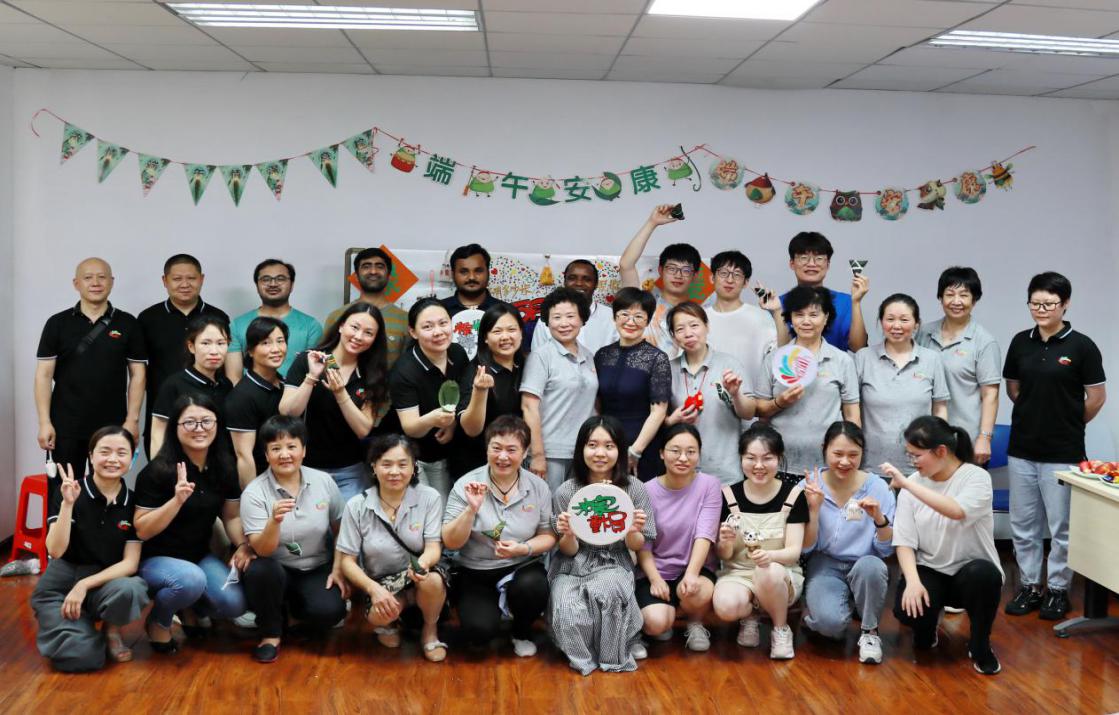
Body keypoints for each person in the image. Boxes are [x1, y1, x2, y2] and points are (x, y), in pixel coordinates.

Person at [1002, 272, 1106, 621]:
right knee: (1023, 524)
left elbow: (1096, 397)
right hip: (1022, 448)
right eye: (1035, 303)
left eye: (1049, 303)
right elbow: (1014, 388)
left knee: (1061, 527)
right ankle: (1030, 586)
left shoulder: (1082, 346)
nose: (1041, 309)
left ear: (1065, 304)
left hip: (1063, 452)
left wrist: (1069, 422)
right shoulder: (1021, 342)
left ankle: (1058, 589)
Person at [885, 416, 1004, 676]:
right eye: (909, 455)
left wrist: (907, 485)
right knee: (908, 611)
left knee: (984, 576)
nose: (913, 462)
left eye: (917, 455)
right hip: (930, 569)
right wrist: (912, 582)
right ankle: (926, 630)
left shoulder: (976, 477)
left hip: (970, 571)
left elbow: (956, 511)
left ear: (941, 451)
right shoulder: (912, 483)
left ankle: (981, 645)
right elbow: (904, 541)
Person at [134, 394, 250, 653]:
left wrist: (243, 545)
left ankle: (189, 607)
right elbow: (142, 529)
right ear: (175, 427)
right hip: (154, 560)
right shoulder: (157, 471)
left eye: (206, 421)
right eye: (189, 422)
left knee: (234, 604)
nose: (199, 429)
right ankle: (158, 621)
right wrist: (176, 501)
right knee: (190, 580)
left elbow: (231, 516)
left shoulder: (224, 466)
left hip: (197, 556)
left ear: (217, 425)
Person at [31, 426, 149, 672]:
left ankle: (110, 631)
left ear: (132, 458)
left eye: (121, 453)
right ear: (91, 456)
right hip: (61, 586)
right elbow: (55, 551)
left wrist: (84, 585)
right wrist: (67, 505)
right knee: (84, 658)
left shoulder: (133, 502)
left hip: (102, 584)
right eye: (104, 452)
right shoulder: (70, 491)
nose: (113, 459)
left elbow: (130, 564)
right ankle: (78, 631)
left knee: (132, 588)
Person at [442, 416, 556, 657]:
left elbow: (547, 536)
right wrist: (470, 509)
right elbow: (451, 542)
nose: (503, 456)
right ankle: (493, 611)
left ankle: (521, 631)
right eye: (496, 448)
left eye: (511, 450)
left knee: (535, 587)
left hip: (520, 566)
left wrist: (523, 548)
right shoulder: (466, 484)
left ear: (525, 452)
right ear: (487, 449)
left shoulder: (538, 487)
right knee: (479, 632)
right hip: (475, 569)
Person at [550, 416, 656, 674]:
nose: (600, 453)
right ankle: (582, 653)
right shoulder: (566, 491)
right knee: (568, 607)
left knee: (609, 591)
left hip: (614, 560)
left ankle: (621, 645)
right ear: (581, 449)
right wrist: (568, 533)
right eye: (592, 445)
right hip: (572, 564)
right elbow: (568, 550)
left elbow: (637, 544)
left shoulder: (634, 488)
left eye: (609, 446)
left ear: (620, 450)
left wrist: (633, 529)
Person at [239, 416, 348, 663]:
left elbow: (341, 530)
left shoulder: (323, 481)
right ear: (266, 455)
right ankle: (270, 634)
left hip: (316, 565)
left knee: (330, 612)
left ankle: (293, 612)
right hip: (275, 568)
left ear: (304, 450)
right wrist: (274, 522)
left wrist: (339, 568)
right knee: (260, 571)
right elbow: (262, 550)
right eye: (276, 448)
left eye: (291, 446)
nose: (284, 455)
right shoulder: (254, 492)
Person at [337, 434, 448, 662]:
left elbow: (433, 547)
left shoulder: (430, 497)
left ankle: (430, 630)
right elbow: (347, 561)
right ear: (374, 467)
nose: (394, 472)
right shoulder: (356, 505)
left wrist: (422, 564)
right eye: (386, 464)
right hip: (381, 580)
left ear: (414, 467)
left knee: (432, 581)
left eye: (402, 464)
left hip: (418, 574)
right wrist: (372, 589)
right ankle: (391, 622)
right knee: (380, 615)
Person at [35, 257, 146, 481]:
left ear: (112, 282)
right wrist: (45, 422)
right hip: (65, 425)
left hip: (111, 425)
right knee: (64, 489)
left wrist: (132, 421)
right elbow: (43, 376)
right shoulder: (57, 323)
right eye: (88, 277)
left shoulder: (128, 323)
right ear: (76, 283)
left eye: (102, 277)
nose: (95, 282)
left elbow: (138, 375)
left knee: (106, 488)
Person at [799, 421, 895, 664]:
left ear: (863, 453)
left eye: (853, 455)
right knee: (830, 625)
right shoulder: (809, 486)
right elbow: (806, 549)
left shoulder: (878, 488)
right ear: (824, 448)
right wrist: (814, 510)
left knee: (872, 567)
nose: (845, 462)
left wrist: (879, 519)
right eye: (838, 454)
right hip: (825, 563)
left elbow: (885, 550)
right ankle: (823, 610)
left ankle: (870, 631)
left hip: (866, 562)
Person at [713, 424, 808, 660]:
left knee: (768, 572)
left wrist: (770, 557)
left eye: (767, 458)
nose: (758, 466)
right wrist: (725, 542)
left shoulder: (794, 496)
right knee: (725, 606)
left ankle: (780, 629)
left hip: (781, 574)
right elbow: (724, 555)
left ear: (779, 458)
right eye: (750, 458)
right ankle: (750, 616)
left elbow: (794, 552)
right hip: (739, 574)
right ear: (741, 458)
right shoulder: (728, 495)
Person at [281, 303, 391, 502]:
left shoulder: (373, 374)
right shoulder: (310, 359)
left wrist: (340, 393)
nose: (358, 336)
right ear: (341, 326)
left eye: (368, 333)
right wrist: (311, 378)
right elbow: (288, 412)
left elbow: (363, 429)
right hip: (307, 466)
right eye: (354, 327)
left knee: (350, 521)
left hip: (350, 470)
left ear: (375, 339)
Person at [754, 286, 860, 478]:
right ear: (790, 318)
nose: (806, 321)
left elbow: (852, 415)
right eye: (799, 314)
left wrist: (852, 455)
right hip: (779, 463)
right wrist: (779, 403)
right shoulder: (774, 359)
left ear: (826, 317)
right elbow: (759, 409)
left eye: (814, 314)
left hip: (829, 466)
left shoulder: (842, 361)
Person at [635, 424, 720, 653]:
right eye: (675, 451)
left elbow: (705, 534)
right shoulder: (646, 490)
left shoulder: (709, 485)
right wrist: (655, 579)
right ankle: (668, 615)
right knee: (655, 624)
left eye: (691, 452)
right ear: (662, 453)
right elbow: (644, 545)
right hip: (656, 569)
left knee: (696, 591)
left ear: (699, 454)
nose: (683, 458)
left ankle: (695, 622)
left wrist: (691, 574)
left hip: (695, 568)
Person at [138, 254, 231, 455]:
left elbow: (225, 364)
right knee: (166, 468)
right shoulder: (148, 319)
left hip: (209, 416)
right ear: (165, 281)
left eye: (191, 278)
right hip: (164, 411)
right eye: (177, 279)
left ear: (201, 279)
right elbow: (139, 371)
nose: (185, 284)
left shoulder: (218, 317)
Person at [916, 267, 1001, 464]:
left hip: (964, 440)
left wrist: (984, 438)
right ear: (940, 298)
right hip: (925, 439)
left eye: (964, 295)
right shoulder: (924, 333)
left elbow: (990, 395)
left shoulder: (984, 342)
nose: (956, 301)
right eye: (950, 294)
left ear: (974, 300)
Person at [855, 294, 949, 470]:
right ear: (881, 322)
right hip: (871, 465)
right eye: (890, 319)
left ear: (916, 324)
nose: (896, 326)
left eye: (904, 320)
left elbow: (940, 408)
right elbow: (851, 409)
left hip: (920, 467)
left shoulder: (932, 359)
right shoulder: (863, 358)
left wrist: (938, 446)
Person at [666, 302, 756, 485]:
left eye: (694, 325)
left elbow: (749, 413)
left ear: (707, 326)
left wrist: (736, 394)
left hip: (724, 474)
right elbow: (657, 419)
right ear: (674, 336)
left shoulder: (729, 364)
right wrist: (672, 420)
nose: (688, 333)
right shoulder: (667, 370)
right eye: (680, 329)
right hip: (681, 472)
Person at [390, 298, 469, 499]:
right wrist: (434, 419)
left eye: (443, 323)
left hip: (446, 453)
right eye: (427, 326)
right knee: (426, 509)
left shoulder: (458, 353)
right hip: (411, 455)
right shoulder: (404, 371)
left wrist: (452, 423)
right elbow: (410, 427)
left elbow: (464, 396)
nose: (438, 332)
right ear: (413, 332)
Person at [521, 288, 598, 491]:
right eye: (556, 317)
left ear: (582, 319)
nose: (564, 323)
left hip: (584, 451)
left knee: (578, 506)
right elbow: (529, 407)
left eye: (570, 316)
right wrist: (537, 454)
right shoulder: (541, 356)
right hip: (550, 452)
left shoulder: (589, 356)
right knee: (548, 507)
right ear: (547, 322)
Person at [595, 288, 672, 482]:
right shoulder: (602, 355)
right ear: (615, 317)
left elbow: (659, 412)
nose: (630, 322)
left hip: (642, 446)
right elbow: (597, 404)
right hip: (606, 444)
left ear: (647, 321)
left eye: (638, 316)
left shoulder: (657, 358)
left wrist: (635, 450)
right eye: (624, 314)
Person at [619, 204, 701, 359]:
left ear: (695, 275)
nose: (678, 275)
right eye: (672, 268)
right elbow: (626, 265)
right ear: (661, 271)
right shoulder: (642, 305)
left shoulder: (700, 315)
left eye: (685, 270)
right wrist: (652, 223)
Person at [455, 303, 525, 478]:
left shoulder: (526, 365)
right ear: (485, 337)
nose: (505, 337)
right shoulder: (476, 371)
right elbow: (471, 429)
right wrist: (480, 391)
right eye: (497, 331)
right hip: (477, 465)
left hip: (515, 461)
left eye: (511, 330)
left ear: (521, 333)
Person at [149, 314, 234, 457]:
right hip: (182, 463)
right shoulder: (174, 384)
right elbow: (158, 433)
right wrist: (160, 467)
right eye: (205, 343)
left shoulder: (226, 385)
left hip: (220, 463)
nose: (214, 351)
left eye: (221, 343)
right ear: (191, 347)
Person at [226, 258, 322, 380]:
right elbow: (234, 379)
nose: (273, 284)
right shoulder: (237, 325)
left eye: (280, 279)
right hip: (251, 391)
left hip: (299, 391)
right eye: (266, 279)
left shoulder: (311, 326)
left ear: (292, 285)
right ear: (257, 286)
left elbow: (322, 366)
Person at [778, 232, 868, 352]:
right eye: (803, 258)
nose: (811, 264)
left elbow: (859, 348)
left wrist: (856, 302)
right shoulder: (778, 305)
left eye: (819, 258)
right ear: (792, 264)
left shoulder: (846, 302)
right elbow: (777, 351)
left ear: (828, 264)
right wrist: (776, 311)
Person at [227, 317, 288, 488]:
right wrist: (254, 498)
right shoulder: (242, 396)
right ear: (251, 351)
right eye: (266, 343)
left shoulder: (286, 385)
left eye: (280, 341)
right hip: (262, 483)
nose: (276, 349)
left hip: (287, 477)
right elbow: (244, 456)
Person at [703, 250, 783, 378]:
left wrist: (777, 311)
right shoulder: (699, 318)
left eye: (737, 275)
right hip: (708, 390)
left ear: (746, 282)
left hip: (752, 390)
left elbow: (781, 353)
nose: (730, 280)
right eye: (723, 273)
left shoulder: (760, 317)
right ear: (712, 278)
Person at [325, 247, 408, 369]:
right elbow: (326, 354)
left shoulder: (405, 319)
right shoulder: (337, 316)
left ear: (389, 275)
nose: (373, 271)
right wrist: (335, 375)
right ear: (356, 276)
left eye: (380, 266)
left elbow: (408, 364)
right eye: (366, 266)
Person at [531, 259, 617, 354]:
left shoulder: (612, 317)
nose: (579, 283)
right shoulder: (548, 317)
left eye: (587, 279)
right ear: (564, 282)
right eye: (572, 278)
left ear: (596, 284)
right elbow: (537, 356)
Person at [439, 243, 504, 315]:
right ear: (453, 275)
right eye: (464, 272)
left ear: (488, 273)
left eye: (478, 271)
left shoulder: (505, 312)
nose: (471, 277)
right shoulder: (438, 310)